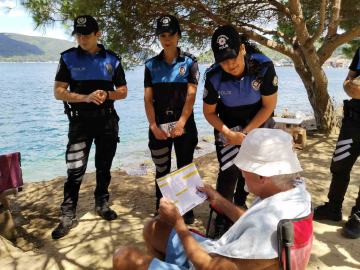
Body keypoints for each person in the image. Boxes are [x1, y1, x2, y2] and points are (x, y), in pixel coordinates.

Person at [113, 128, 312, 270]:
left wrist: (178, 223)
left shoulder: (264, 227)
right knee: (153, 228)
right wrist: (219, 201)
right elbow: (252, 221)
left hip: (211, 263)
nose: (241, 171)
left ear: (262, 176)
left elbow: (210, 266)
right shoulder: (293, 193)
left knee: (123, 258)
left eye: (245, 167)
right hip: (223, 254)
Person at [51, 15, 128, 239]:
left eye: (86, 34)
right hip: (79, 122)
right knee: (74, 170)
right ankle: (68, 214)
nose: (82, 39)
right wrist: (85, 98)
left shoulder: (112, 59)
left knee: (104, 167)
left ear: (98, 34)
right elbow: (58, 92)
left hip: (107, 121)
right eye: (78, 35)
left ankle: (102, 205)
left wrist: (107, 94)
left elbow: (123, 91)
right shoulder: (68, 58)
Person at [202, 25, 278, 236]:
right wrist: (229, 133)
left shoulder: (263, 67)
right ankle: (222, 218)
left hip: (259, 123)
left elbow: (268, 106)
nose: (229, 64)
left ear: (243, 49)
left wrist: (246, 134)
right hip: (229, 128)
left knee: (257, 172)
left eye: (233, 57)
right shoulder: (214, 75)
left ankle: (244, 206)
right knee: (228, 171)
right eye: (223, 60)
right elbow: (209, 113)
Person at [144, 15, 200, 224]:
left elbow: (191, 96)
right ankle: (163, 209)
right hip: (158, 126)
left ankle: (188, 209)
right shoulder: (150, 65)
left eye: (171, 35)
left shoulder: (190, 62)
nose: (166, 39)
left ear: (178, 35)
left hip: (184, 124)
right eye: (162, 35)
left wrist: (181, 123)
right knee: (162, 169)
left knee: (185, 166)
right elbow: (148, 100)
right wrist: (153, 126)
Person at [314, 47, 360, 239]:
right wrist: (351, 88)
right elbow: (348, 80)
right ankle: (333, 208)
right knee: (339, 164)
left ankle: (358, 217)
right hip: (353, 120)